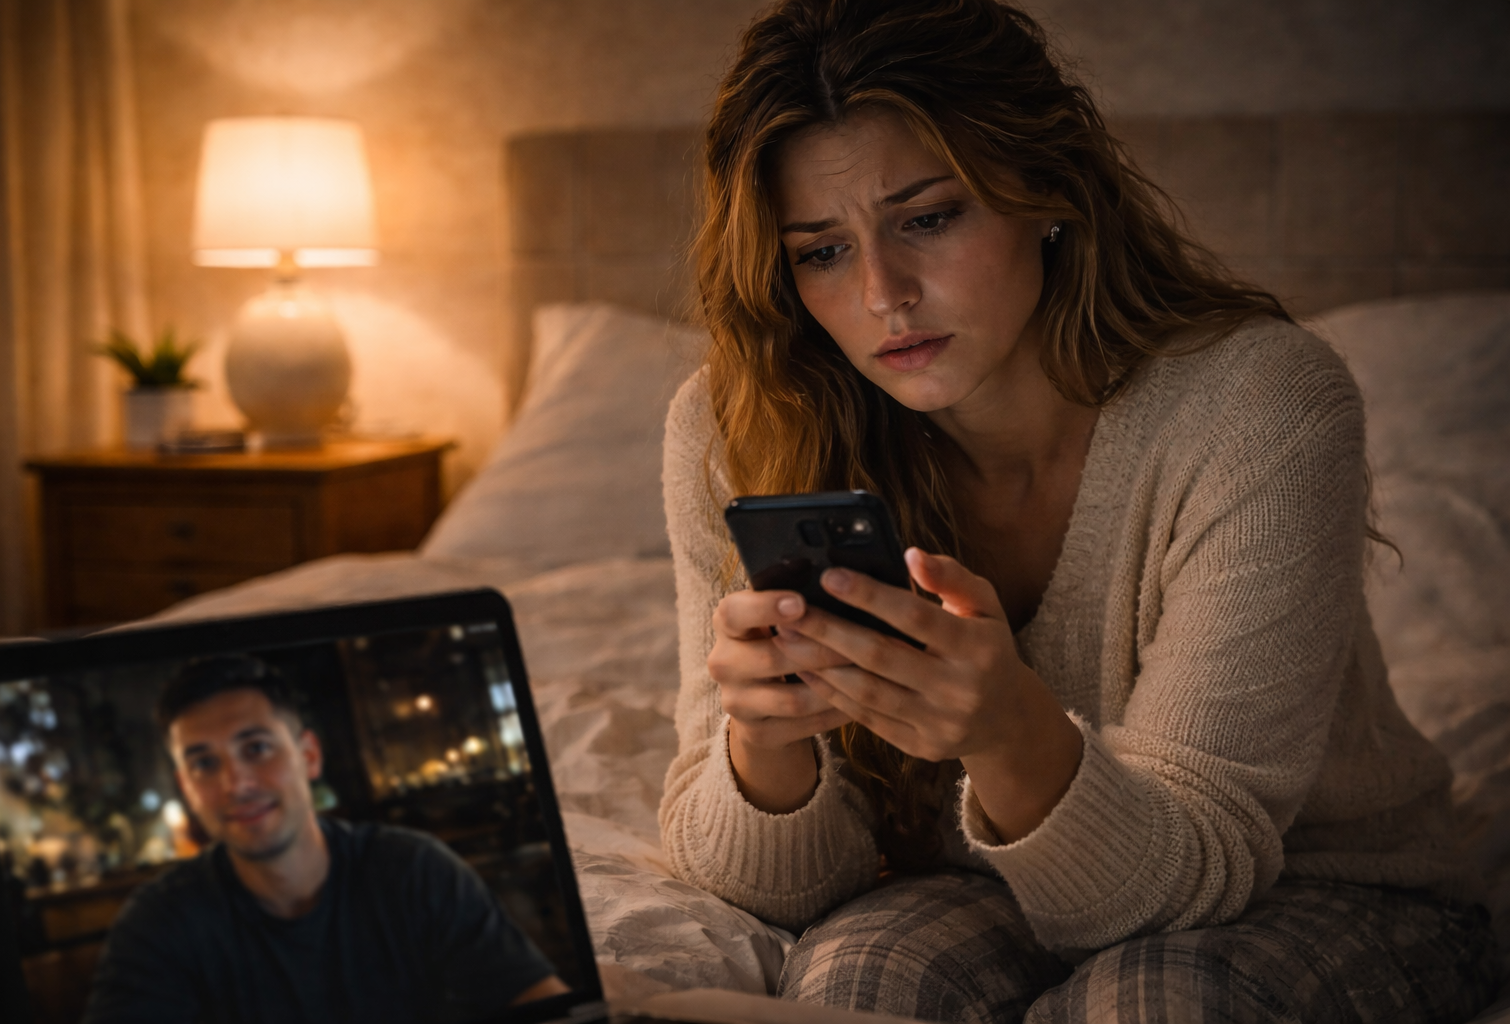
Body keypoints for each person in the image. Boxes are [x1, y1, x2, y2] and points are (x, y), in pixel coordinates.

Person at [657, 1, 1499, 1020]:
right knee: (857, 981)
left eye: (929, 218)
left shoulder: (1262, 405)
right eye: (822, 251)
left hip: (1318, 878)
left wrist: (1009, 731)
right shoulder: (737, 426)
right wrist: (763, 742)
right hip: (980, 882)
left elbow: (1194, 871)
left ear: (1044, 191)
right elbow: (780, 894)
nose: (884, 293)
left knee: (1151, 1000)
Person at [85, 654, 568, 1024]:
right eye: (205, 763)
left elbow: (540, 1001)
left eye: (257, 748)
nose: (236, 784)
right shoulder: (159, 923)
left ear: (309, 756)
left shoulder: (412, 870)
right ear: (186, 788)